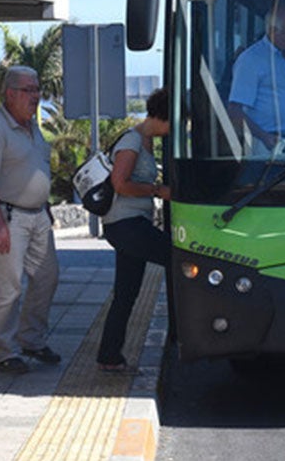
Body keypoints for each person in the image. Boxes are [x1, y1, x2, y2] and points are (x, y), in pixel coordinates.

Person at [0, 66, 61, 374]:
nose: (35, 96)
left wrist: (45, 204)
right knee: (7, 287)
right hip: (9, 216)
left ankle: (32, 341)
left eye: (37, 89)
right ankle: (6, 351)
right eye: (28, 90)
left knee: (47, 277)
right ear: (10, 94)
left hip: (38, 216)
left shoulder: (32, 126)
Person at [96, 88, 173, 372]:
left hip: (134, 223)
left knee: (127, 292)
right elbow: (120, 183)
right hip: (125, 224)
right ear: (164, 116)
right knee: (178, 256)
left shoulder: (147, 141)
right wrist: (158, 191)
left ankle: (109, 355)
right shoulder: (131, 141)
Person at [227, 3, 285, 151]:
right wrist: (264, 137)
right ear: (272, 31)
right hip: (266, 144)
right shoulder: (251, 59)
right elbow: (234, 111)